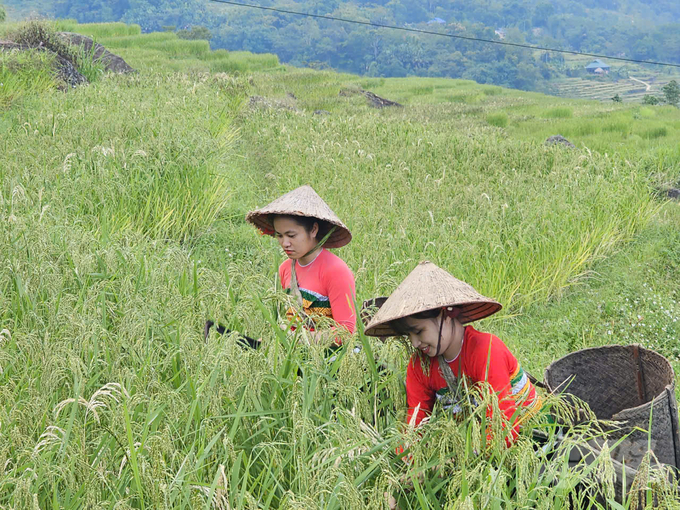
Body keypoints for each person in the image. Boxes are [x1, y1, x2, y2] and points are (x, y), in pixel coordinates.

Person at [363, 261, 541, 445]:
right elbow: (415, 424)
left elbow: (504, 426)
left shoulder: (486, 351)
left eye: (418, 331)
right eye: (408, 336)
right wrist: (411, 462)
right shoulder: (419, 367)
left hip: (537, 437)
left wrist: (464, 461)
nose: (414, 343)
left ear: (447, 314)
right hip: (477, 446)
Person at [246, 185, 356, 343]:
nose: (285, 243)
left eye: (291, 235)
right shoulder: (285, 268)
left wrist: (299, 339)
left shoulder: (336, 271)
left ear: (313, 230)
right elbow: (292, 322)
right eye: (280, 236)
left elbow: (345, 332)